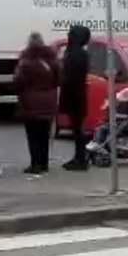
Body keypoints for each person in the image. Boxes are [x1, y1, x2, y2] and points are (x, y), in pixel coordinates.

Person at [13, 32, 59, 175]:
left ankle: (35, 164)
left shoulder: (26, 62)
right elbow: (58, 79)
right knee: (44, 135)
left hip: (30, 102)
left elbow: (18, 82)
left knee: (33, 136)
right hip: (49, 100)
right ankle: (44, 163)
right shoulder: (52, 59)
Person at [59, 24, 91, 171]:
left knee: (77, 129)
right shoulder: (80, 52)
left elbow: (70, 75)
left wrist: (62, 79)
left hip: (74, 94)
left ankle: (81, 158)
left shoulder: (74, 53)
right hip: (77, 93)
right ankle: (79, 157)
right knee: (76, 128)